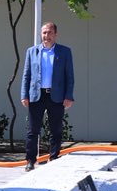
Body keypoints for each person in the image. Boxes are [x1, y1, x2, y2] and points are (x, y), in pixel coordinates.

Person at [20, 21, 76, 170]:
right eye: (44, 32)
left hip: (56, 96)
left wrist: (69, 96)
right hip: (36, 95)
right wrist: (24, 94)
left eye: (50, 32)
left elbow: (69, 76)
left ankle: (54, 158)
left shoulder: (64, 52)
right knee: (33, 130)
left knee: (56, 130)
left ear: (55, 34)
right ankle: (30, 160)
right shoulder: (32, 52)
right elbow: (26, 75)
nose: (47, 35)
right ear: (41, 34)